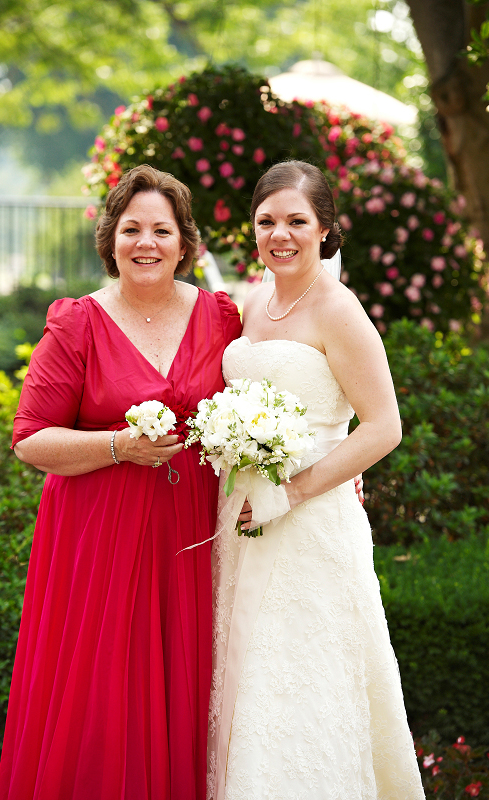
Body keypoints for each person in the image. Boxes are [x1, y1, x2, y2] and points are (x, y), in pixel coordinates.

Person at [0, 164, 242, 800]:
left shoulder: (221, 318)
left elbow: (265, 405)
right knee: (104, 696)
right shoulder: (78, 323)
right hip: (99, 540)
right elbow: (29, 437)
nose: (146, 243)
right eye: (132, 229)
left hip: (191, 540)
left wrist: (320, 468)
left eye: (161, 230)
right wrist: (117, 445)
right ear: (111, 240)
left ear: (185, 243)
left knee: (186, 688)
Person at [208, 161, 425, 800]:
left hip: (309, 522)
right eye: (267, 220)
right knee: (242, 674)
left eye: (297, 221)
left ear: (324, 230)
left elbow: (384, 426)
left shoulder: (339, 309)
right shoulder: (254, 299)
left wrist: (292, 493)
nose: (281, 234)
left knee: (299, 677)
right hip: (240, 516)